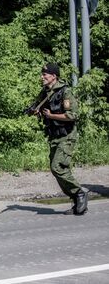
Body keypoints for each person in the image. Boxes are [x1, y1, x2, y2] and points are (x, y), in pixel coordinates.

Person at [26, 63, 87, 215]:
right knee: (58, 169)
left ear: (54, 76)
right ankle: (76, 201)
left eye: (45, 75)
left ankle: (79, 193)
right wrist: (35, 111)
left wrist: (51, 116)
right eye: (42, 74)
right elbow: (38, 107)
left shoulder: (65, 92)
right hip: (54, 136)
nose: (42, 77)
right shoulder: (45, 92)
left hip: (67, 136)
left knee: (57, 167)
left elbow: (73, 115)